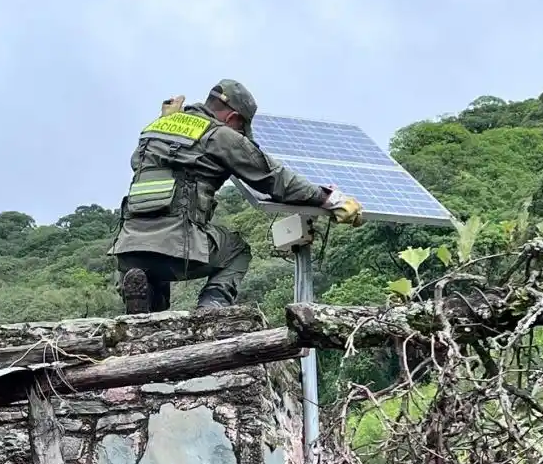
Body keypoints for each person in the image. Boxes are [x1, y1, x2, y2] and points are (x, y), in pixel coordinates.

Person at [111, 79, 362, 313]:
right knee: (238, 250)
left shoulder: (153, 130)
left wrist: (166, 122)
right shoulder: (220, 135)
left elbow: (145, 162)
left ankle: (145, 313)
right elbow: (273, 178)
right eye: (241, 127)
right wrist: (328, 199)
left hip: (128, 249)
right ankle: (212, 307)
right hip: (177, 248)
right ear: (233, 117)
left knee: (150, 273)